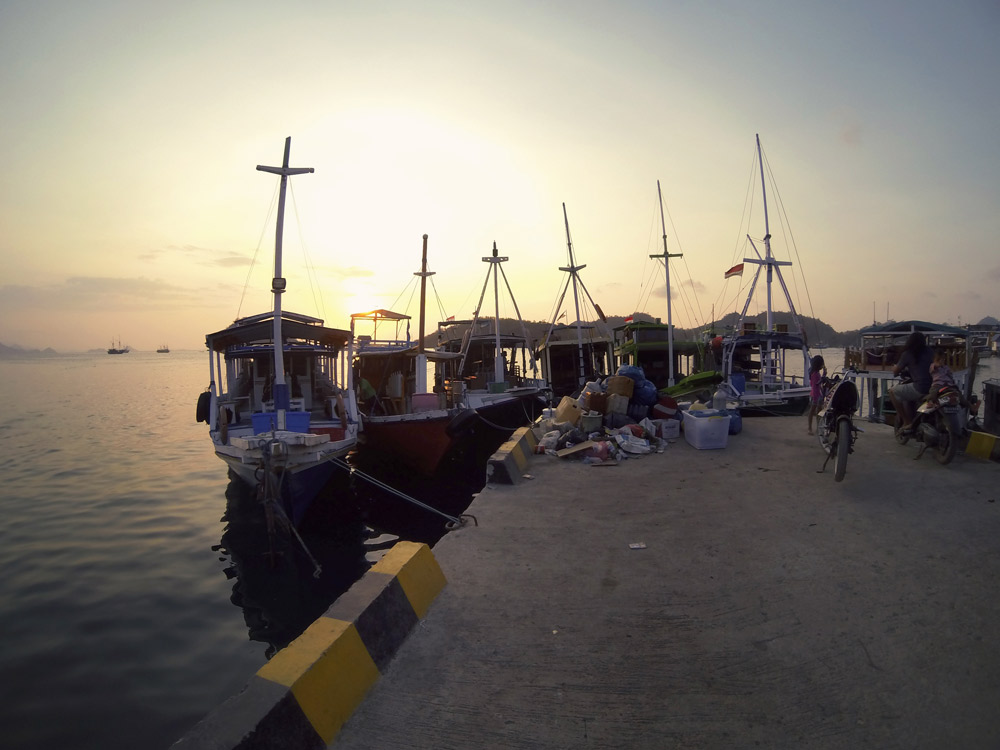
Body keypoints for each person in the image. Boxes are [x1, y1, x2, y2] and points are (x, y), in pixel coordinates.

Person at [888, 331, 933, 430]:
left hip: (920, 388)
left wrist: (894, 367)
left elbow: (896, 371)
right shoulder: (930, 351)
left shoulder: (908, 354)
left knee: (892, 391)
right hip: (933, 387)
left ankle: (906, 421)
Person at [806, 354, 825, 435]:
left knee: (819, 412)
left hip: (819, 395)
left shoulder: (816, 373)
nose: (822, 365)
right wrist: (815, 398)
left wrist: (824, 374)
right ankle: (809, 428)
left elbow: (820, 382)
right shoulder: (815, 374)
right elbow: (814, 387)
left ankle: (819, 427)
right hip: (815, 395)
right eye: (821, 364)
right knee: (812, 411)